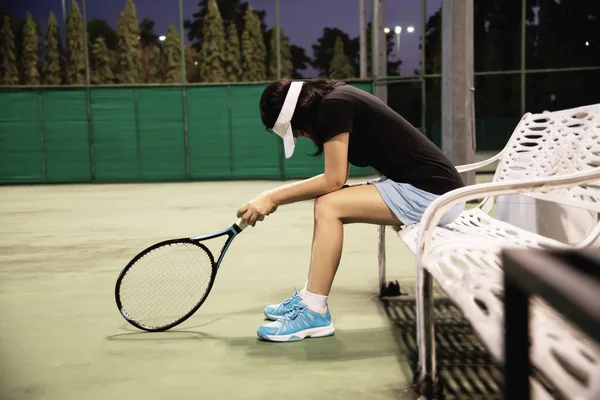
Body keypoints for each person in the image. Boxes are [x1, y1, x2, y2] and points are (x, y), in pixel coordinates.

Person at [237, 79, 465, 342]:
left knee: (329, 205)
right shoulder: (335, 97)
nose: (302, 137)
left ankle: (314, 311)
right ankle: (309, 297)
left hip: (434, 196)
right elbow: (337, 179)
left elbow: (333, 180)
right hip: (424, 187)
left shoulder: (332, 107)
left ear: (300, 116)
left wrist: (274, 198)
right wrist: (270, 196)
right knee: (327, 202)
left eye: (297, 132)